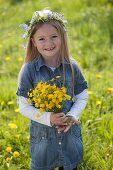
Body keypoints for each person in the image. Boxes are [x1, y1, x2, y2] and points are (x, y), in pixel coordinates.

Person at [16, 9, 88, 170]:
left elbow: (82, 96)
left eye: (54, 37)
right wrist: (49, 118)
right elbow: (23, 107)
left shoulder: (72, 67)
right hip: (43, 142)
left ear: (62, 37)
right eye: (42, 39)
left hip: (69, 138)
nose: (48, 43)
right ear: (33, 42)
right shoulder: (29, 70)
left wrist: (72, 115)